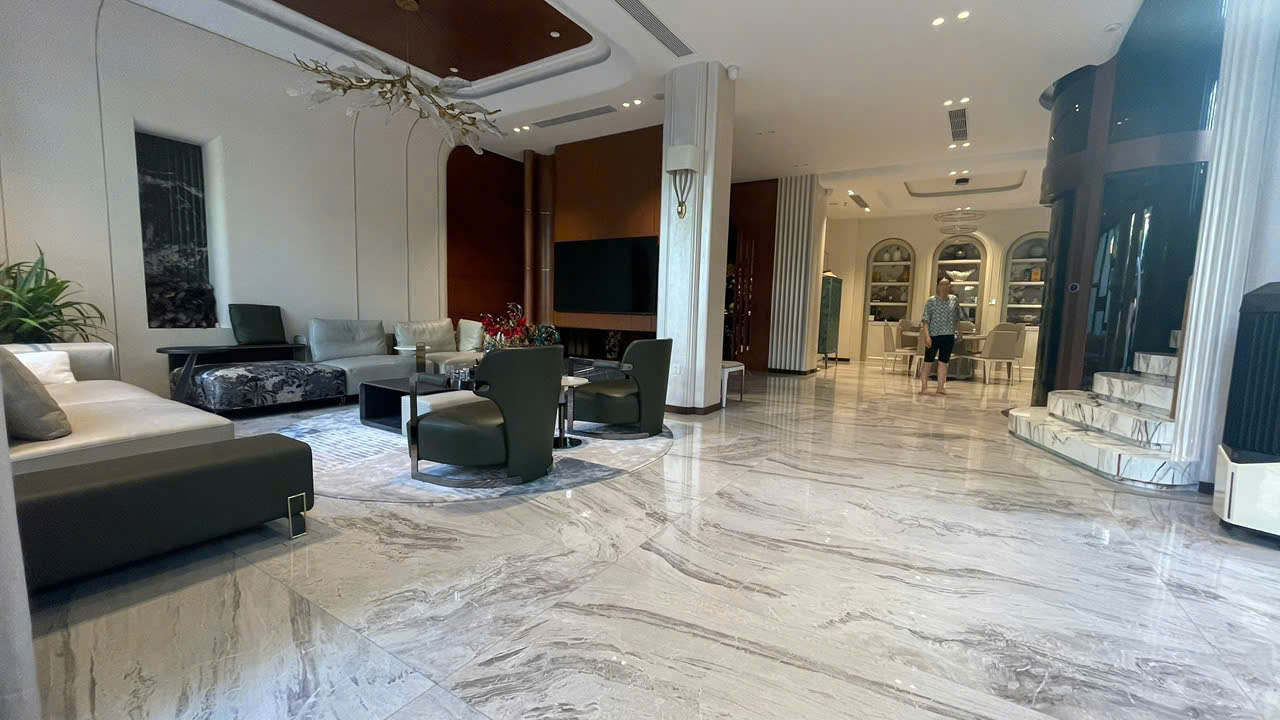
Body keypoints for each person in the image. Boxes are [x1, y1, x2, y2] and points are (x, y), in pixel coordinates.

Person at [920, 276, 964, 395]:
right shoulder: (931, 301)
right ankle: (924, 387)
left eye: (947, 284)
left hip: (948, 335)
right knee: (928, 361)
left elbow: (957, 318)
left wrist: (959, 331)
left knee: (944, 362)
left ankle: (940, 387)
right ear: (938, 286)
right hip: (934, 335)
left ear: (950, 286)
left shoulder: (954, 300)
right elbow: (925, 320)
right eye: (942, 284)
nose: (945, 287)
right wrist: (927, 336)